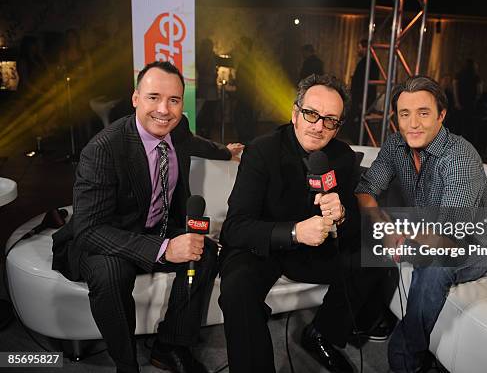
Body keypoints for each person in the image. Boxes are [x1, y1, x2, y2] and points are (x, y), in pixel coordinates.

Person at [51, 61, 234, 373]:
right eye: (153, 97)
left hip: (155, 228)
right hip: (106, 236)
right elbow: (88, 229)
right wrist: (163, 250)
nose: (164, 109)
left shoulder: (179, 127)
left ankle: (170, 345)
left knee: (204, 253)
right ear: (135, 98)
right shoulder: (103, 149)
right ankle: (126, 364)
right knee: (111, 274)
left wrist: (225, 151)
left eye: (174, 100)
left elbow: (194, 142)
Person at [218, 74, 389, 373]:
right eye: (311, 114)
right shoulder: (262, 150)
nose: (318, 126)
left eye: (330, 120)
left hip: (314, 253)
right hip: (265, 246)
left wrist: (344, 214)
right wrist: (295, 232)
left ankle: (321, 333)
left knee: (374, 257)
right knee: (237, 286)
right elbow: (235, 227)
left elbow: (352, 229)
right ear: (295, 113)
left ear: (337, 126)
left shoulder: (344, 158)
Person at [355, 76, 487, 373]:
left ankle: (406, 363)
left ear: (442, 115)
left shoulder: (460, 157)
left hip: (467, 245)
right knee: (364, 227)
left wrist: (407, 237)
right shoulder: (396, 145)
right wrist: (385, 226)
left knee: (433, 266)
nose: (413, 123)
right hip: (423, 227)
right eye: (405, 114)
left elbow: (451, 237)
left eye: (424, 113)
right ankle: (368, 316)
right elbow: (366, 190)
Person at [347, 39, 380, 144]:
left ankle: (360, 142)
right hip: (363, 98)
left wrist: (361, 100)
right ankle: (360, 141)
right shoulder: (369, 62)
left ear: (365, 48)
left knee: (358, 122)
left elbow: (365, 84)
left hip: (363, 99)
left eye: (359, 48)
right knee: (359, 122)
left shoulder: (368, 63)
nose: (358, 50)